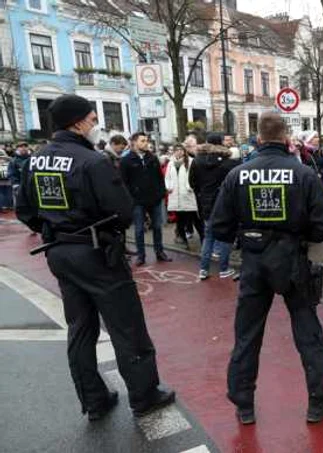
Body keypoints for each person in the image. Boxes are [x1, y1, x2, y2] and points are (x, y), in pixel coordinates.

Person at [15, 94, 175, 421]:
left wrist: (54, 228)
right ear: (77, 123)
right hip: (96, 251)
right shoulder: (92, 161)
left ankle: (94, 399)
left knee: (80, 327)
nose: (94, 125)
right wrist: (104, 232)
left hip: (59, 251)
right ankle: (144, 395)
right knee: (126, 326)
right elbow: (122, 210)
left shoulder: (36, 160)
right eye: (91, 119)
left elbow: (25, 210)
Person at [209, 111, 323, 425]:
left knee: (247, 333)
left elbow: (219, 226)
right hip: (292, 260)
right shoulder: (303, 173)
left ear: (258, 138)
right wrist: (298, 236)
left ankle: (244, 405)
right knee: (308, 330)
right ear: (285, 139)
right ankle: (317, 401)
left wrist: (247, 234)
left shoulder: (238, 174)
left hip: (253, 261)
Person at [188, 133, 239, 280]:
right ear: (221, 143)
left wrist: (202, 194)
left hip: (206, 203)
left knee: (208, 236)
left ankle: (203, 269)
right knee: (225, 236)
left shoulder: (197, 161)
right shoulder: (228, 162)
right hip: (224, 203)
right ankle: (223, 268)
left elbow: (193, 183)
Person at [120, 132, 171, 266]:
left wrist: (160, 193)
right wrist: (130, 198)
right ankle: (141, 255)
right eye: (142, 141)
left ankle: (159, 252)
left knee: (157, 227)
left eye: (146, 140)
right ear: (134, 142)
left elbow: (159, 178)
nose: (146, 143)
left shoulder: (152, 158)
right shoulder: (126, 160)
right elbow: (123, 183)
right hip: (137, 201)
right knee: (139, 229)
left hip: (154, 199)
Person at [165, 144, 203, 250]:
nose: (179, 152)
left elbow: (195, 176)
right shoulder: (171, 163)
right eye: (176, 150)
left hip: (188, 194)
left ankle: (204, 240)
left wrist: (189, 186)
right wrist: (169, 187)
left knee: (195, 219)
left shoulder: (191, 161)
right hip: (175, 195)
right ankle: (183, 241)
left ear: (184, 151)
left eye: (180, 150)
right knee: (180, 220)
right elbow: (167, 177)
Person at [8, 142, 30, 207]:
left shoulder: (33, 158)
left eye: (25, 146)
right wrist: (16, 186)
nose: (23, 148)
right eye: (21, 146)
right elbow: (11, 174)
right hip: (19, 187)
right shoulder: (13, 161)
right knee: (20, 207)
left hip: (31, 187)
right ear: (17, 148)